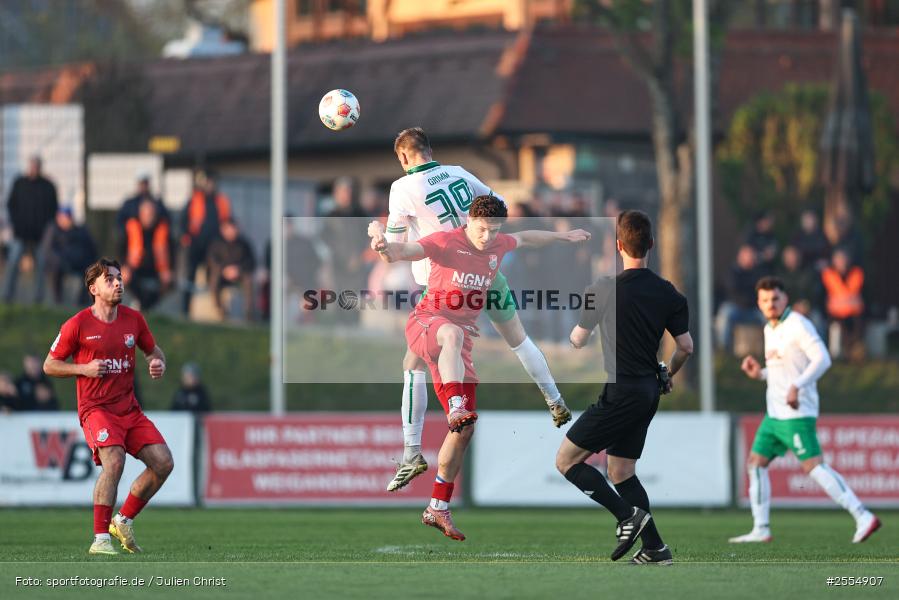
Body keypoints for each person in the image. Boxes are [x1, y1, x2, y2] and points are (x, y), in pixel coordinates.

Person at [370, 195, 590, 540]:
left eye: (494, 230)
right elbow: (402, 253)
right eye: (482, 228)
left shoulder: (498, 244)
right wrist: (383, 243)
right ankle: (450, 411)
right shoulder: (445, 241)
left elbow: (528, 238)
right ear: (469, 220)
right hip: (428, 322)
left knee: (464, 431)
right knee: (453, 335)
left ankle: (437, 507)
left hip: (457, 344)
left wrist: (561, 237)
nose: (488, 236)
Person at [369, 127, 574, 493]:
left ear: (402, 158)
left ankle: (413, 451)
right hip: (487, 270)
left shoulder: (402, 189)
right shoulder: (460, 172)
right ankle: (554, 399)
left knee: (413, 363)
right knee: (519, 340)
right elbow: (498, 206)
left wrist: (380, 237)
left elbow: (395, 251)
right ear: (430, 150)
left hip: (445, 281)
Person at [556, 209, 693, 565]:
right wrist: (668, 372)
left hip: (621, 392)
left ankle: (625, 515)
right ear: (651, 244)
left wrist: (576, 331)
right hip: (648, 392)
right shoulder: (669, 293)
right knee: (621, 471)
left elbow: (578, 339)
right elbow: (686, 347)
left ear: (618, 246)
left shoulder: (600, 288)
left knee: (566, 461)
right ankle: (656, 549)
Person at [730, 276, 880, 544]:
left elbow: (823, 359)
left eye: (775, 298)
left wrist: (797, 386)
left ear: (785, 298)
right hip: (774, 415)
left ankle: (863, 515)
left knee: (814, 466)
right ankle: (761, 528)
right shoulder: (769, 329)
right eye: (765, 300)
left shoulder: (798, 324)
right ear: (759, 303)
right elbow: (784, 370)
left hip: (796, 414)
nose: (770, 304)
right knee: (755, 464)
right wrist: (761, 374)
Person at [43, 258, 173, 555]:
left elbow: (154, 351)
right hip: (96, 409)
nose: (118, 283)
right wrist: (84, 369)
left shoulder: (134, 320)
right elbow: (50, 365)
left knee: (164, 463)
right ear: (94, 288)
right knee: (114, 461)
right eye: (110, 279)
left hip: (129, 410)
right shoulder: (77, 324)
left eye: (119, 277)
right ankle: (100, 539)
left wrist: (157, 362)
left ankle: (123, 520)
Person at [3, 155, 58, 302]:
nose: (34, 169)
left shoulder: (48, 186)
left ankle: (38, 299)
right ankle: (7, 296)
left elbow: (53, 211)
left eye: (37, 166)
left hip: (40, 236)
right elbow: (10, 205)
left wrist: (48, 232)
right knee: (13, 262)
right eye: (32, 165)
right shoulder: (19, 183)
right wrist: (15, 225)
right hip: (20, 234)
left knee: (41, 265)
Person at [181, 172, 231, 316]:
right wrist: (185, 237)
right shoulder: (194, 200)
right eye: (207, 182)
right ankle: (185, 310)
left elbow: (228, 221)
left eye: (212, 182)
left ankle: (217, 311)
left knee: (215, 277)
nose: (210, 185)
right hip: (195, 246)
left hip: (214, 247)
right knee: (190, 276)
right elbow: (184, 221)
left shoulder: (221, 201)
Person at [40, 207, 97, 305]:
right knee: (55, 270)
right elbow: (48, 251)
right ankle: (58, 301)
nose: (67, 221)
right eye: (64, 218)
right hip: (59, 264)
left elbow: (91, 249)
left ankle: (82, 303)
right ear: (58, 218)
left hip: (78, 263)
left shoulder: (80, 230)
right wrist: (61, 261)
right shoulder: (52, 230)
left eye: (68, 218)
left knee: (91, 272)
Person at [123, 199, 172, 311]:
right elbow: (121, 250)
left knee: (168, 282)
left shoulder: (163, 229)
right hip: (135, 269)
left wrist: (168, 270)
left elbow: (171, 251)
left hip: (157, 270)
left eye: (151, 214)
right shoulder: (131, 228)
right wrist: (124, 266)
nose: (149, 217)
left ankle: (148, 308)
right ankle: (140, 304)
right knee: (127, 278)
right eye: (146, 214)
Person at [716, 244, 766, 352]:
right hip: (736, 308)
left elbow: (760, 291)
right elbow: (732, 290)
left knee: (768, 317)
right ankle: (724, 350)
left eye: (752, 256)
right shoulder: (732, 272)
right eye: (748, 256)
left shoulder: (757, 272)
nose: (750, 259)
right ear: (741, 256)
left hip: (753, 310)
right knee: (725, 315)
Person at [207, 219, 256, 321]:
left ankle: (248, 313)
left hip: (239, 274)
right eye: (228, 229)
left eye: (233, 228)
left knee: (249, 279)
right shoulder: (216, 243)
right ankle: (221, 311)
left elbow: (251, 261)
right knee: (214, 279)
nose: (231, 231)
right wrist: (224, 270)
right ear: (223, 230)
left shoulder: (244, 244)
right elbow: (212, 261)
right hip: (222, 275)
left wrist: (238, 269)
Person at [821, 249, 865, 359]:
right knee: (838, 327)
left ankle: (854, 350)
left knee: (857, 326)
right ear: (833, 261)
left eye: (843, 259)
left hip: (854, 314)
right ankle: (842, 353)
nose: (842, 262)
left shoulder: (856, 273)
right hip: (835, 314)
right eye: (839, 259)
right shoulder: (828, 274)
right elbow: (822, 296)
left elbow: (863, 294)